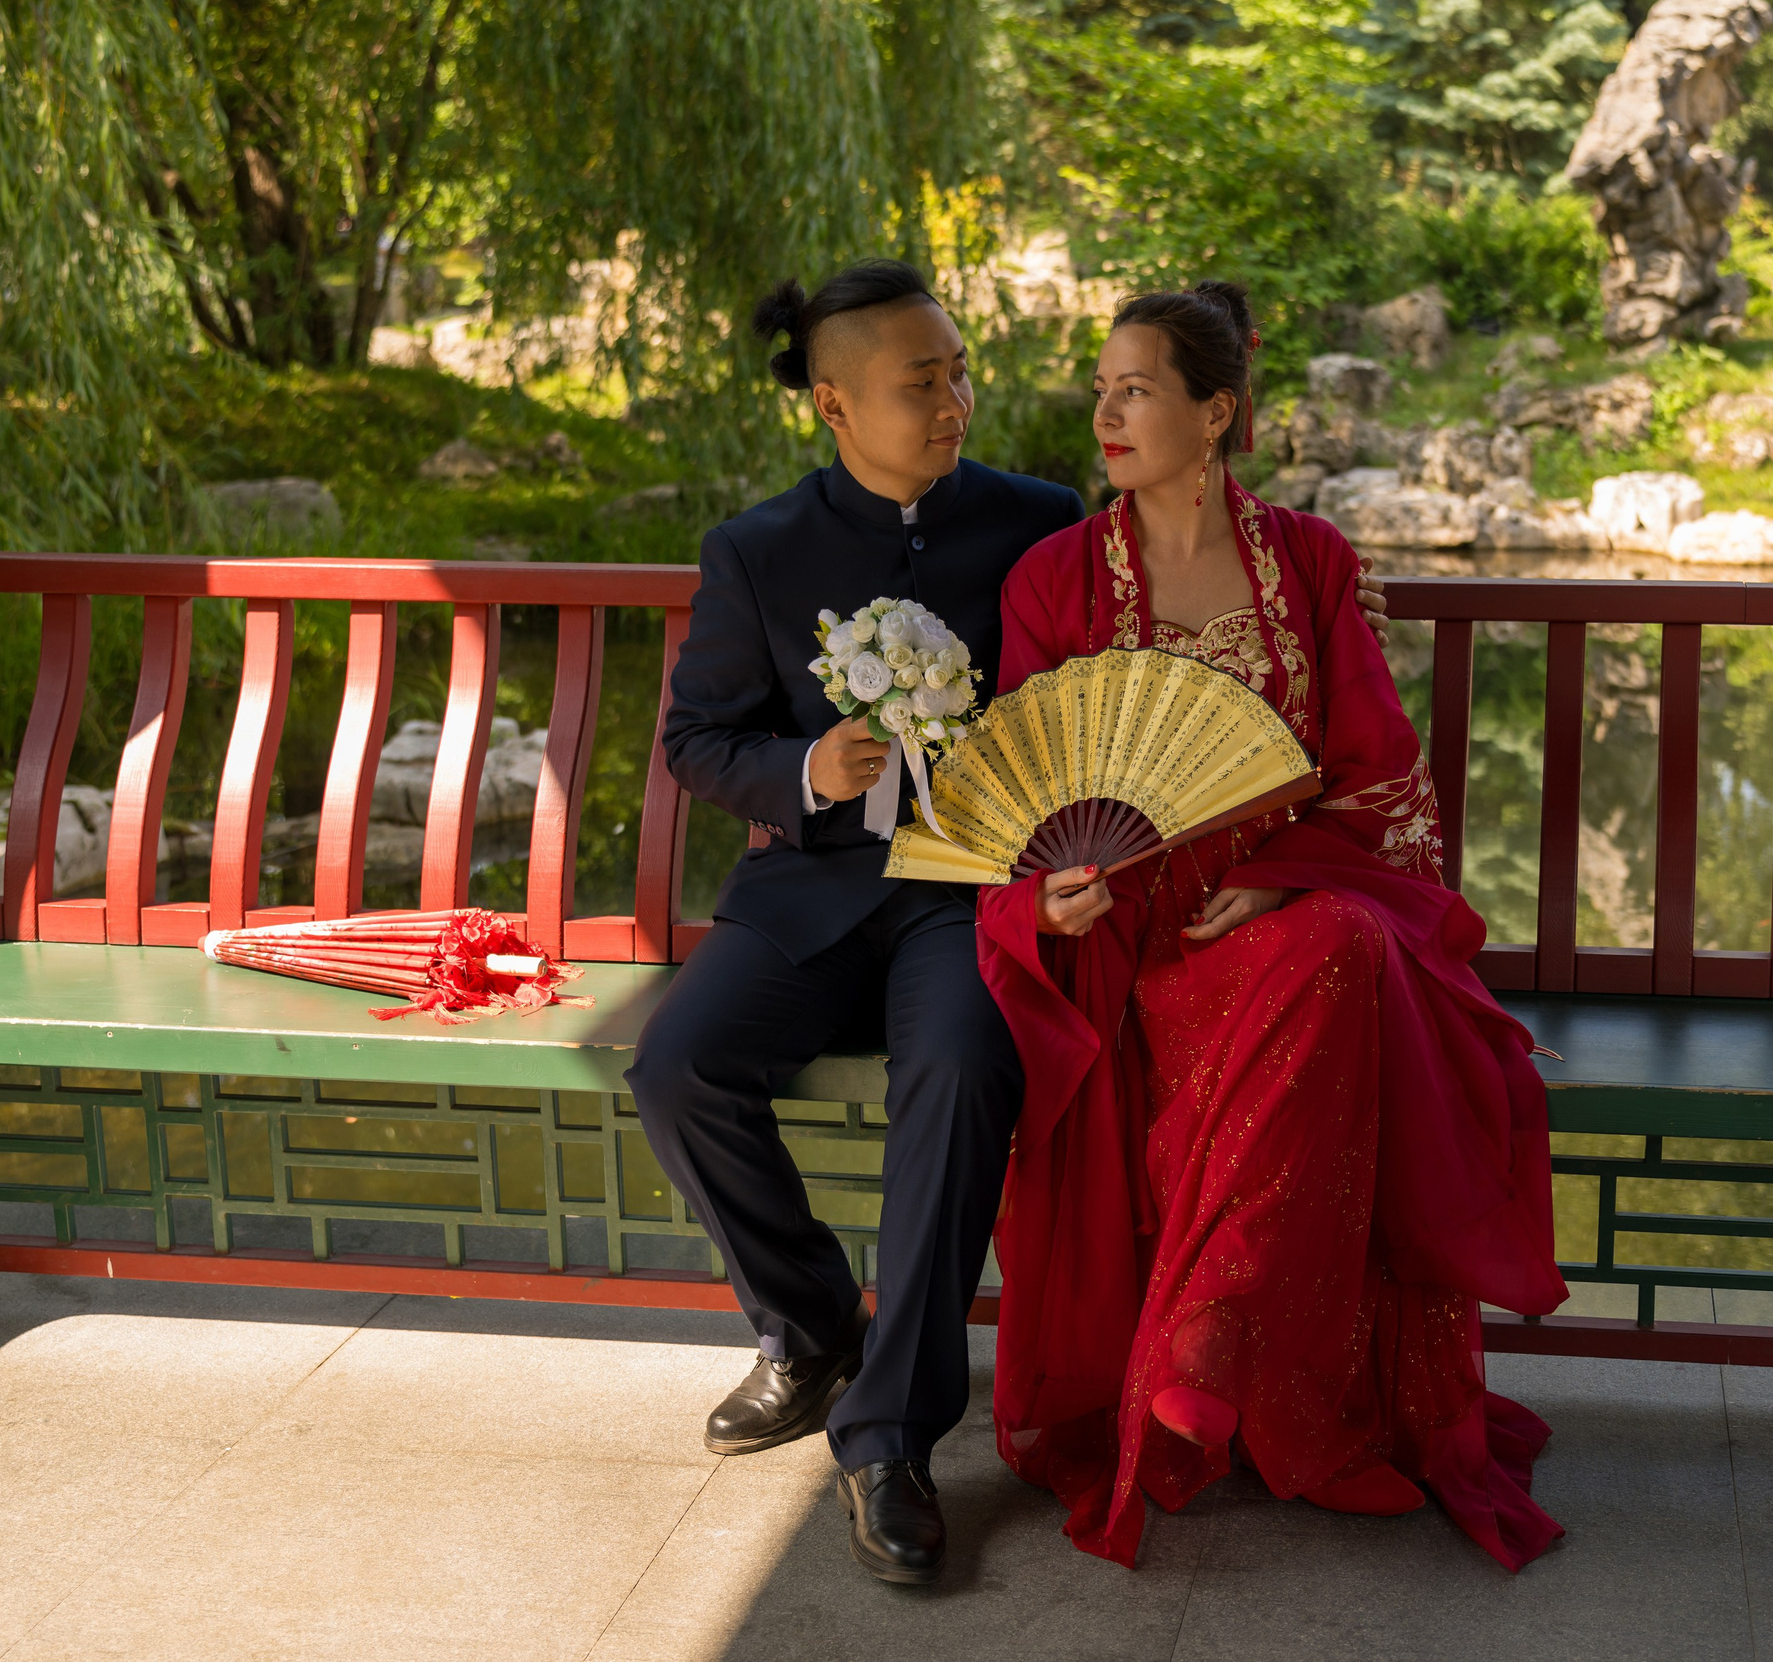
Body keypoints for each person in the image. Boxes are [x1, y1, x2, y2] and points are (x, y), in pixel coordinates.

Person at [630, 259, 1398, 1586]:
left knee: (964, 1066)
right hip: (808, 893)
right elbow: (698, 742)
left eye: (960, 374)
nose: (953, 402)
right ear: (834, 405)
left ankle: (889, 1444)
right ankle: (811, 1327)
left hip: (974, 902)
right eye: (919, 385)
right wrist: (807, 774)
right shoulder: (758, 549)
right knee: (675, 1064)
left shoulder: (1041, 524)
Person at [974, 281, 1571, 1573]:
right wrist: (1053, 894)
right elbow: (1012, 796)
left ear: (1218, 411)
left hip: (1291, 921)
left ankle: (1207, 1344)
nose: (1108, 413)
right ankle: (1244, 1366)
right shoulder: (1057, 577)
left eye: (1137, 389)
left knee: (1344, 953)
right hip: (1132, 946)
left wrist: (1300, 877)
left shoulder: (1306, 560)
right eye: (1101, 390)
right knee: (1333, 988)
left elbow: (1376, 776)